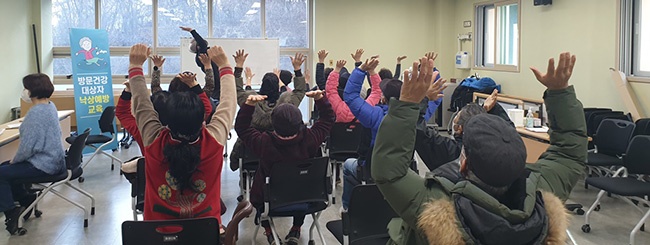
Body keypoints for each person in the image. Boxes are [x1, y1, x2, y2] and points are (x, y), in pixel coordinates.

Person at [372, 53, 586, 244]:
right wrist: (560, 94)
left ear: (463, 164)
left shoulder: (436, 208)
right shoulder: (544, 192)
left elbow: (389, 171)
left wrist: (408, 103)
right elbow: (569, 153)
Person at [128, 43, 236, 227]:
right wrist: (225, 66)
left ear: (166, 121)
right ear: (203, 118)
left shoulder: (154, 140)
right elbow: (229, 102)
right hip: (205, 236)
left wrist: (135, 66)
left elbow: (142, 104)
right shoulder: (214, 140)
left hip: (158, 236)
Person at [235, 89, 334, 245]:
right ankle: (296, 227)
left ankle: (268, 230)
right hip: (307, 199)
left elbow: (242, 128)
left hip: (270, 203)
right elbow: (328, 118)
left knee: (260, 189)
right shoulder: (311, 138)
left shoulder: (264, 142)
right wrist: (320, 99)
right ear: (300, 121)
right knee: (300, 183)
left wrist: (248, 106)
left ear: (273, 123)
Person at [0, 74, 65, 235]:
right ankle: (26, 199)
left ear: (31, 91)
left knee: (2, 172)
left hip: (44, 164)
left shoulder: (35, 114)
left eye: (25, 88)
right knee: (4, 168)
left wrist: (15, 160)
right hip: (55, 160)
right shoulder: (50, 106)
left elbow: (27, 148)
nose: (23, 91)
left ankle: (10, 212)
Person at [340, 57, 405, 210]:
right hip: (401, 170)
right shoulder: (412, 117)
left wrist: (361, 70)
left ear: (384, 97)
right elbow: (432, 103)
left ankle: (348, 209)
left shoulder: (375, 116)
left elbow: (350, 96)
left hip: (374, 170)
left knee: (348, 165)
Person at [228, 51, 307, 171]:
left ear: (262, 85)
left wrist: (238, 68)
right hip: (280, 157)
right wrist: (297, 69)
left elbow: (237, 90)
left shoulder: (250, 101)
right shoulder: (287, 104)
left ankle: (245, 178)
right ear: (277, 87)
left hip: (251, 154)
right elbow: (300, 91)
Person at [180, 26, 221, 100]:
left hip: (216, 80)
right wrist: (192, 31)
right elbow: (202, 44)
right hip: (216, 81)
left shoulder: (200, 55)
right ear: (198, 47)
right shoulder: (202, 54)